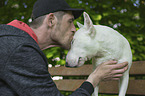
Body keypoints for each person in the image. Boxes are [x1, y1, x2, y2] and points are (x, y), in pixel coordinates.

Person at [0, 0, 128, 96]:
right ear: (51, 21)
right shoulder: (22, 50)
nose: (74, 29)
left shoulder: (13, 39)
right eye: (70, 21)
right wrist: (94, 78)